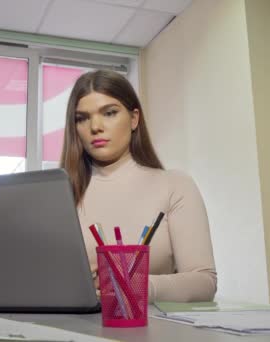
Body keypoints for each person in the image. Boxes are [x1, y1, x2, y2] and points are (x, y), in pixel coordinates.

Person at [59, 69, 217, 303]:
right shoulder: (60, 194)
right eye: (82, 118)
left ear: (134, 119)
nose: (96, 127)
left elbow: (204, 282)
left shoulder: (174, 185)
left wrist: (134, 284)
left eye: (109, 113)